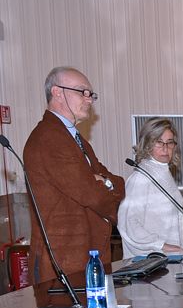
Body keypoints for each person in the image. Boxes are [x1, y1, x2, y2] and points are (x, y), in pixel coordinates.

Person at [25, 66, 124, 279]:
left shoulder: (75, 139)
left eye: (91, 94)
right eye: (82, 92)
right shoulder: (49, 138)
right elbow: (92, 194)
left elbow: (117, 183)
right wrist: (104, 184)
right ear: (57, 92)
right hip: (64, 262)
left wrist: (104, 182)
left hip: (85, 258)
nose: (89, 99)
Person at [118, 118, 183, 257]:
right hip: (151, 262)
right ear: (147, 144)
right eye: (159, 142)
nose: (165, 148)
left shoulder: (163, 172)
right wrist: (161, 245)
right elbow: (128, 224)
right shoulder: (140, 178)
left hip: (168, 259)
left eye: (170, 142)